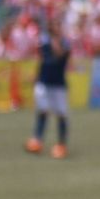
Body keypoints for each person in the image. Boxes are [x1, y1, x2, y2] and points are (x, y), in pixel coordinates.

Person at [26, 22, 71, 158]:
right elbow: (43, 60)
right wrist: (36, 75)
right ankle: (37, 140)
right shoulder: (44, 43)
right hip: (44, 83)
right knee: (43, 110)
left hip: (58, 85)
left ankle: (61, 144)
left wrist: (56, 40)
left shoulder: (65, 44)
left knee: (61, 114)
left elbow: (59, 56)